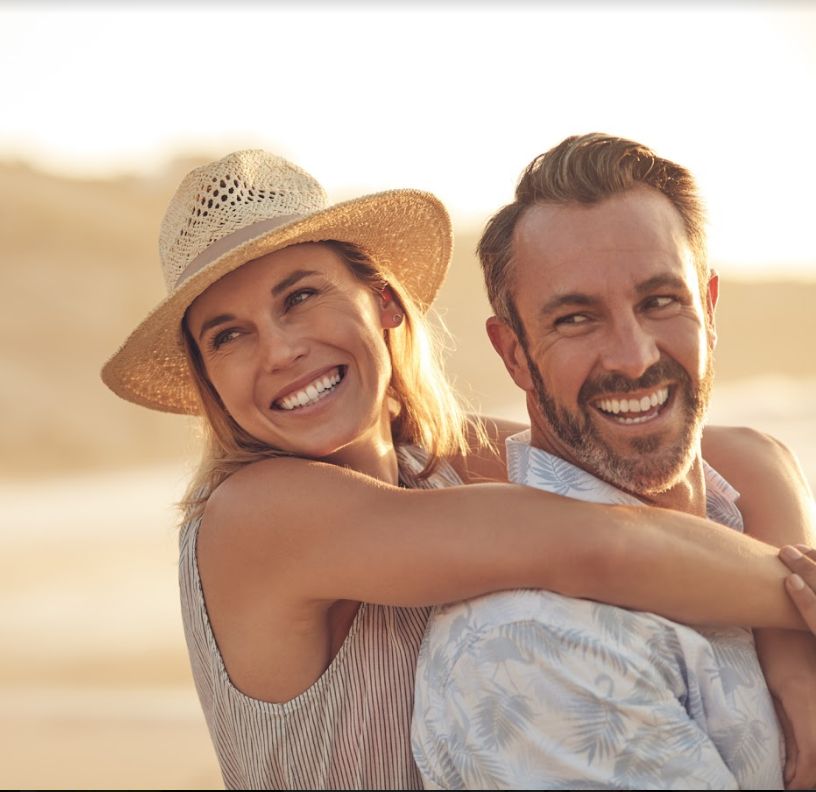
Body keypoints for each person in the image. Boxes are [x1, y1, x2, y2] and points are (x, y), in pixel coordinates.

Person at [101, 149, 815, 790]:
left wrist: (792, 660)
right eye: (230, 336)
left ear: (381, 299)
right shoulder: (254, 515)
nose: (281, 351)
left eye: (301, 296)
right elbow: (599, 543)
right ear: (209, 380)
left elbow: (751, 453)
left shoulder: (429, 464)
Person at [411, 133, 816, 790]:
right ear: (513, 353)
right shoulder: (533, 647)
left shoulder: (744, 510)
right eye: (576, 319)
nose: (633, 357)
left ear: (708, 310)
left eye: (660, 302)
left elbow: (756, 450)